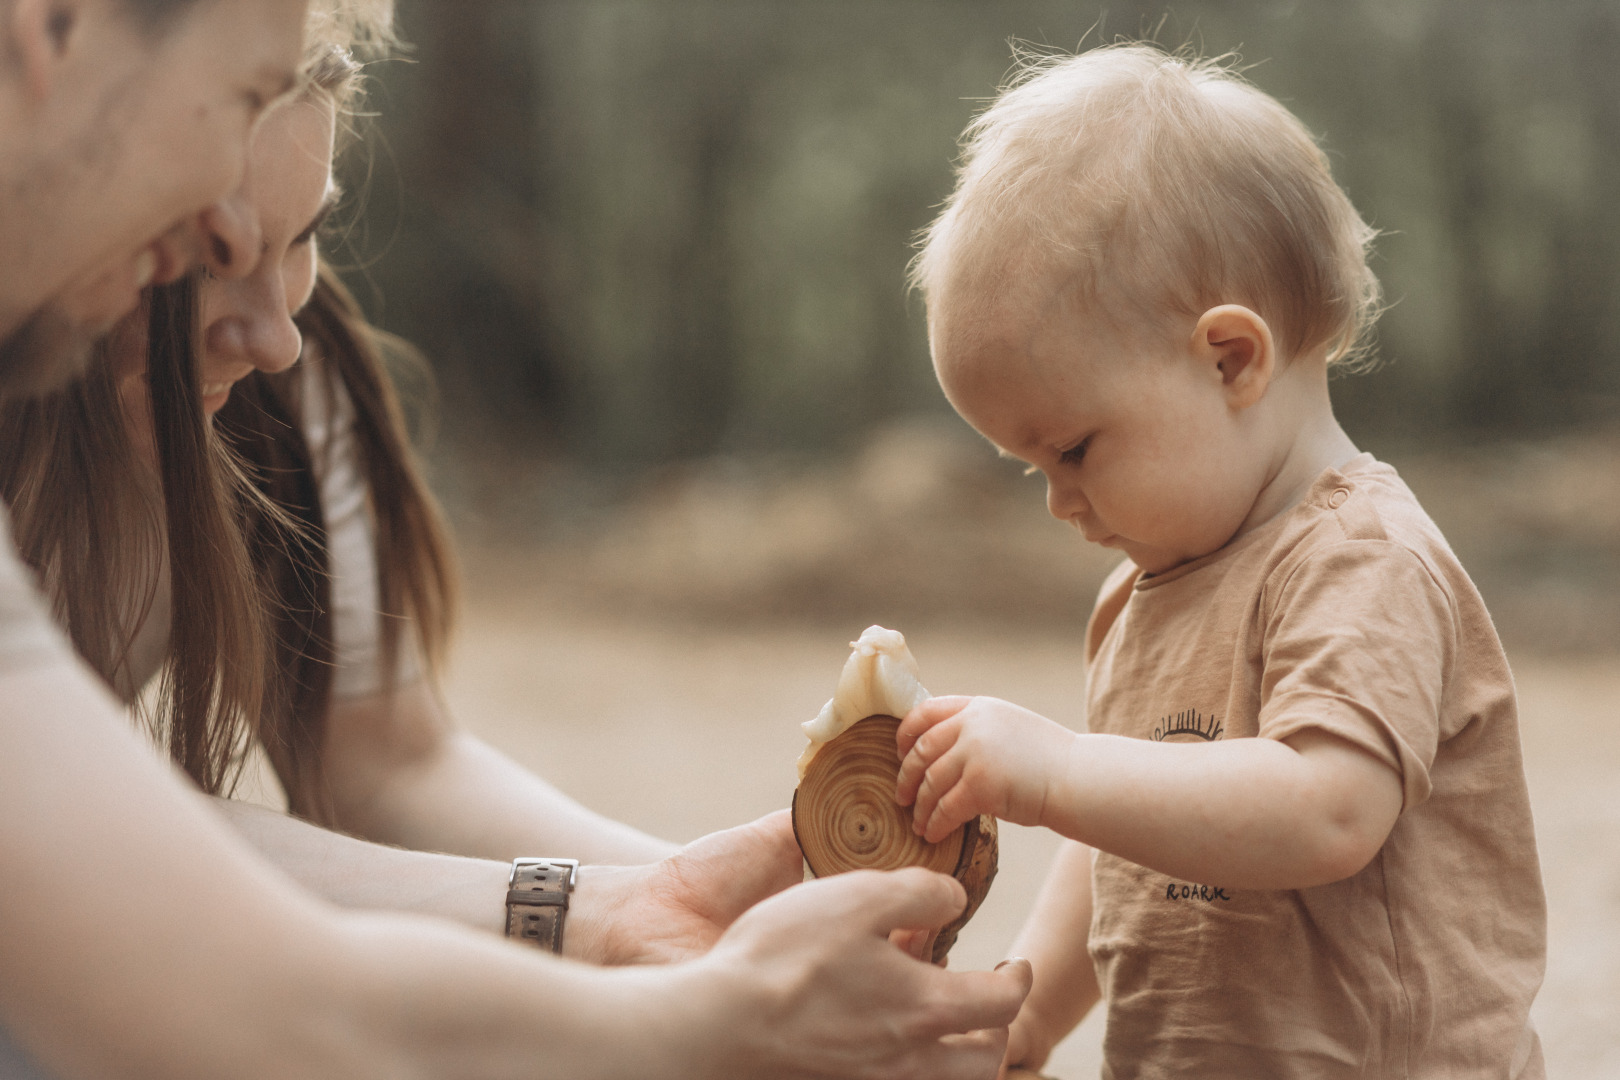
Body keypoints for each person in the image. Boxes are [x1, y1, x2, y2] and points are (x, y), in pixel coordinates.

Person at [0, 1, 1032, 1076]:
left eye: (297, 236)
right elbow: (271, 1004)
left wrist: (647, 911)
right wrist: (714, 1018)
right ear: (50, 29)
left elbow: (119, 840)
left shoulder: (275, 385)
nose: (274, 337)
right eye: (204, 245)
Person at [897, 44, 1546, 1078]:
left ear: (1229, 358)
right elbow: (1126, 835)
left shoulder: (1360, 560)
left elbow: (1327, 809)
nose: (1061, 502)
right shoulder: (1142, 595)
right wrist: (1023, 1011)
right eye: (1031, 469)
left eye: (1072, 449)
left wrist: (1061, 768)